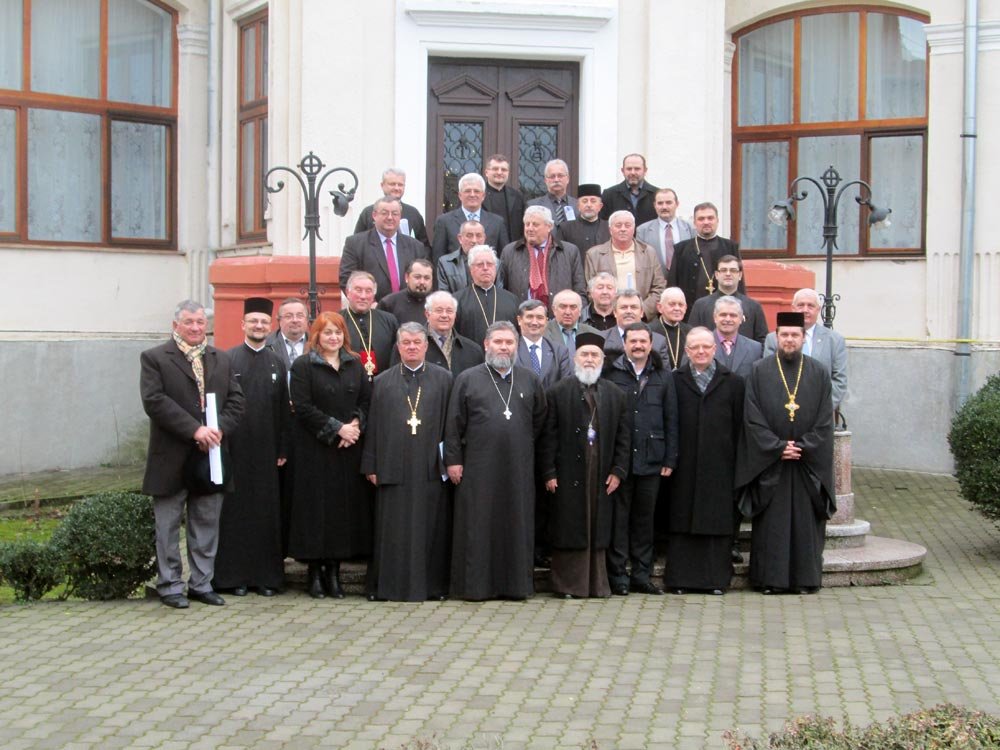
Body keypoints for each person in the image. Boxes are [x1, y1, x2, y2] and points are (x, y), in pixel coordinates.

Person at [140, 300, 245, 608]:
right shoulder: (155, 358)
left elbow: (237, 401)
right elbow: (154, 401)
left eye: (200, 322)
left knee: (206, 523)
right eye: (189, 322)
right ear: (176, 325)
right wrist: (194, 430)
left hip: (210, 455)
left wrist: (218, 430)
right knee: (168, 526)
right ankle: (170, 585)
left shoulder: (221, 358)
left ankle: (201, 583)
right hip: (171, 456)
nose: (196, 327)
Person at [445, 322, 547, 600]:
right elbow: (453, 424)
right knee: (478, 524)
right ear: (486, 344)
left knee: (516, 524)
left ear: (517, 346)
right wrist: (453, 461)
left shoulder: (530, 379)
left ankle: (515, 587)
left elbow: (539, 420)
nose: (504, 347)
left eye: (509, 342)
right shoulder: (468, 379)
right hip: (478, 467)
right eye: (498, 342)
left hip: (517, 467)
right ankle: (476, 588)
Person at [737, 312, 836, 595]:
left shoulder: (819, 372)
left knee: (805, 524)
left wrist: (803, 446)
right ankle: (770, 580)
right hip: (771, 464)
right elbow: (752, 417)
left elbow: (825, 420)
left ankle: (805, 579)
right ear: (776, 337)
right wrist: (777, 447)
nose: (789, 339)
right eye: (784, 335)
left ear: (803, 338)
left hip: (806, 465)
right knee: (773, 525)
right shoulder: (759, 370)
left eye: (795, 335)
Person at [362, 323, 453, 602]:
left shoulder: (444, 379)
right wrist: (371, 464)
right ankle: (387, 586)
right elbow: (373, 426)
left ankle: (432, 587)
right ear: (398, 347)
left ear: (426, 346)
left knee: (430, 527)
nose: (412, 347)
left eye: (417, 342)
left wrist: (451, 461)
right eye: (406, 343)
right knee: (393, 528)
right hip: (392, 466)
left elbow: (451, 426)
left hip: (430, 466)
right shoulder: (382, 381)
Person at [288, 311, 373, 599]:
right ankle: (314, 573)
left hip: (347, 452)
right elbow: (302, 406)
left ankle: (334, 573)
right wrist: (338, 429)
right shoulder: (303, 365)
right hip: (315, 449)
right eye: (327, 332)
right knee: (315, 512)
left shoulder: (354, 364)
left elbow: (366, 400)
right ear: (317, 336)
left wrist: (356, 425)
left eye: (337, 332)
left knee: (341, 512)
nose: (333, 337)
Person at [539, 332, 630, 598]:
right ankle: (568, 586)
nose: (589, 359)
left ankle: (597, 585)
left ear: (602, 360)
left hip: (602, 472)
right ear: (575, 358)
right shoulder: (557, 392)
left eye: (594, 355)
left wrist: (618, 471)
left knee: (597, 526)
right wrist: (548, 471)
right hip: (567, 473)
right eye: (584, 355)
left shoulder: (615, 394)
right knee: (570, 525)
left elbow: (624, 437)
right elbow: (548, 437)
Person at [214, 298, 290, 598]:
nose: (259, 326)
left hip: (268, 451)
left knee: (266, 513)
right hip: (235, 449)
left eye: (264, 322)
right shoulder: (227, 360)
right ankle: (234, 578)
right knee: (235, 514)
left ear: (270, 326)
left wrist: (283, 447)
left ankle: (266, 577)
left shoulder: (277, 362)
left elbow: (283, 409)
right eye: (254, 321)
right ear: (243, 324)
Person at [664, 327, 745, 594]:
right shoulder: (674, 380)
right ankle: (680, 580)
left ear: (714, 349)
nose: (700, 351)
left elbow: (739, 426)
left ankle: (715, 581)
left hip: (720, 465)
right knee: (681, 520)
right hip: (683, 464)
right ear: (687, 351)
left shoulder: (733, 383)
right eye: (695, 347)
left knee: (715, 521)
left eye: (706, 347)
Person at [603, 323, 679, 596]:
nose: (638, 346)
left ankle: (642, 575)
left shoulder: (663, 376)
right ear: (624, 344)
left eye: (642, 341)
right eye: (632, 341)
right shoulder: (611, 374)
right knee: (619, 520)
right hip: (620, 462)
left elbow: (671, 418)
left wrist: (670, 458)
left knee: (645, 522)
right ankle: (618, 576)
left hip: (652, 460)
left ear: (650, 344)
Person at [763, 288, 848, 413]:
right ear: (793, 308)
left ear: (818, 310)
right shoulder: (773, 339)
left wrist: (822, 409)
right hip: (782, 411)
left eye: (810, 306)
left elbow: (839, 381)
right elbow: (768, 376)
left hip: (819, 413)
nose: (805, 310)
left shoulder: (834, 340)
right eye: (801, 305)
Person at [340, 196, 429, 302]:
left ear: (400, 216)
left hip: (406, 308)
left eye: (395, 214)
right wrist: (368, 303)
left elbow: (424, 279)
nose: (390, 217)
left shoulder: (415, 246)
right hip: (371, 308)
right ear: (374, 215)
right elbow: (346, 279)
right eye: (384, 213)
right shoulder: (356, 244)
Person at [498, 205, 587, 308]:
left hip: (558, 314)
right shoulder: (510, 251)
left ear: (549, 226)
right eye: (527, 224)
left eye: (535, 225)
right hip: (521, 314)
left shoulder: (569, 251)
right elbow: (501, 290)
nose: (530, 229)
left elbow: (580, 290)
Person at [585, 209, 666, 321]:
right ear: (610, 229)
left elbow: (659, 287)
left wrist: (641, 310)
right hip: (608, 317)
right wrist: (613, 310)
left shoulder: (648, 252)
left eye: (627, 225)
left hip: (642, 318)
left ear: (634, 229)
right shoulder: (594, 254)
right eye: (618, 225)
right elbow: (590, 289)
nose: (623, 229)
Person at [668, 202, 741, 314]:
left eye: (710, 218)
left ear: (717, 220)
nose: (706, 222)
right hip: (690, 312)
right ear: (694, 222)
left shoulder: (730, 247)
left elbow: (739, 282)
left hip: (725, 313)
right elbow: (673, 284)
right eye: (701, 219)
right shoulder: (681, 249)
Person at [688, 255, 768, 344]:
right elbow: (692, 337)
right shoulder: (701, 305)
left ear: (740, 275)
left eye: (733, 270)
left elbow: (762, 341)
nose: (728, 274)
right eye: (723, 270)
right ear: (717, 275)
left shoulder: (753, 307)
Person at [431, 173, 509, 263]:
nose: (472, 194)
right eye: (467, 191)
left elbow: (503, 258)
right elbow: (438, 259)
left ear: (483, 196)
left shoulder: (497, 222)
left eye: (476, 191)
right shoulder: (444, 221)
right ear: (460, 195)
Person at [454, 245, 520, 346]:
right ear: (471, 269)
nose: (485, 268)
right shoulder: (457, 300)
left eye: (489, 264)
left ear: (495, 268)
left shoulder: (512, 300)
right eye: (480, 264)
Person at [340, 271, 399, 381]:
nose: (363, 296)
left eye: (368, 291)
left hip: (383, 382)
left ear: (373, 295)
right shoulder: (337, 320)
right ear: (348, 292)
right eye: (358, 290)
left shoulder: (389, 320)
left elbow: (397, 354)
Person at [353, 167, 430, 248]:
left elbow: (424, 247)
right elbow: (357, 244)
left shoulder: (413, 213)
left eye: (400, 185)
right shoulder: (368, 213)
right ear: (382, 185)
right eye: (392, 184)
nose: (396, 188)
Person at [413, 290, 484, 375]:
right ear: (427, 314)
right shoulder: (411, 346)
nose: (444, 315)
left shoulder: (473, 351)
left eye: (449, 311)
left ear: (455, 315)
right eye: (439, 310)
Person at [636, 188, 695, 278]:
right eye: (660, 203)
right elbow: (641, 261)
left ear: (677, 204)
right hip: (656, 281)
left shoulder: (690, 228)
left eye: (668, 203)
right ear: (654, 205)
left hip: (684, 280)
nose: (664, 207)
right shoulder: (642, 230)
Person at [515, 299, 572, 390]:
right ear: (519, 320)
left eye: (539, 317)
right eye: (529, 317)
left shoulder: (559, 351)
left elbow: (566, 387)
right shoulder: (511, 349)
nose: (534, 322)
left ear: (546, 321)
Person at [601, 289, 670, 363]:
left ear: (642, 312)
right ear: (615, 312)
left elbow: (664, 370)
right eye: (624, 307)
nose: (629, 311)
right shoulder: (600, 339)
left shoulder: (658, 342)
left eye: (633, 307)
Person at [599, 153, 659, 226]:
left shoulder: (656, 195)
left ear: (645, 170)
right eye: (629, 169)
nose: (633, 172)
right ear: (622, 171)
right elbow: (602, 224)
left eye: (637, 169)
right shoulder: (609, 195)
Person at [712, 296, 763, 380]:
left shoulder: (755, 348)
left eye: (733, 315)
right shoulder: (701, 345)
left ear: (741, 319)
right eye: (723, 315)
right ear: (715, 317)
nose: (728, 319)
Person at [378, 258, 435, 325]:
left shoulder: (438, 303)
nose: (422, 282)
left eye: (426, 278)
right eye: (417, 277)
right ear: (407, 277)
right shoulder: (388, 303)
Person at [482, 154, 526, 242]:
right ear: (486, 172)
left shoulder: (517, 196)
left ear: (508, 173)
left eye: (504, 170)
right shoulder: (476, 195)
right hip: (485, 246)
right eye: (495, 169)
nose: (499, 172)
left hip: (512, 247)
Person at [437, 220, 487, 294]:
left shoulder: (495, 263)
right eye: (469, 236)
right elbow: (443, 295)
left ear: (484, 238)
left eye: (478, 236)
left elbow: (497, 293)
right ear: (460, 238)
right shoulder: (445, 263)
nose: (474, 240)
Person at [558, 183, 610, 253]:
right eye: (584, 201)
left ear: (600, 206)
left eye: (593, 201)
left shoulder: (609, 227)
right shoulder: (565, 228)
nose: (589, 205)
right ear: (578, 206)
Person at [526, 158, 577, 226]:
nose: (556, 180)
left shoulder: (578, 206)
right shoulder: (533, 206)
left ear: (567, 179)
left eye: (560, 175)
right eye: (552, 176)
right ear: (545, 180)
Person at [650, 287, 691, 370]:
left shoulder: (690, 332)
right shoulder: (650, 331)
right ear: (660, 307)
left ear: (685, 308)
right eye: (672, 304)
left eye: (681, 305)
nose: (677, 308)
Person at [265, 297, 309, 371]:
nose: (295, 320)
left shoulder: (318, 345)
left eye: (299, 316)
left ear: (307, 319)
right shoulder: (266, 345)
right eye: (288, 316)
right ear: (279, 321)